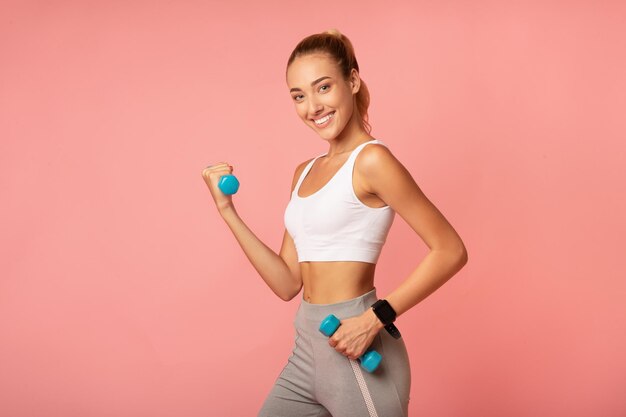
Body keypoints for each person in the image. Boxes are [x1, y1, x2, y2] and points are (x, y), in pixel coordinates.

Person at [202, 29, 468, 417]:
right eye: (298, 96)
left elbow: (451, 250)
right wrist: (228, 211)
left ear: (353, 81)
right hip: (306, 348)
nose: (312, 106)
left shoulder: (373, 161)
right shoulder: (304, 173)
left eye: (323, 87)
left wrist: (375, 319)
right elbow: (287, 282)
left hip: (355, 346)